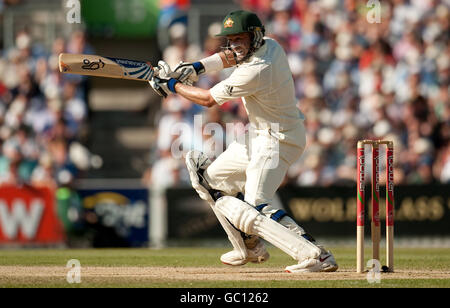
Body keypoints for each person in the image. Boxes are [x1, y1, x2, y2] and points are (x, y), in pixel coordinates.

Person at [149, 10, 338, 273]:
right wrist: (196, 67)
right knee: (210, 180)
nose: (235, 44)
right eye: (231, 39)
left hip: (278, 139)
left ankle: (315, 255)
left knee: (256, 204)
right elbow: (230, 56)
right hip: (259, 135)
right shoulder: (269, 45)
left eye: (241, 38)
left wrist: (171, 85)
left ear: (255, 37)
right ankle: (249, 247)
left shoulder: (257, 70)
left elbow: (207, 100)